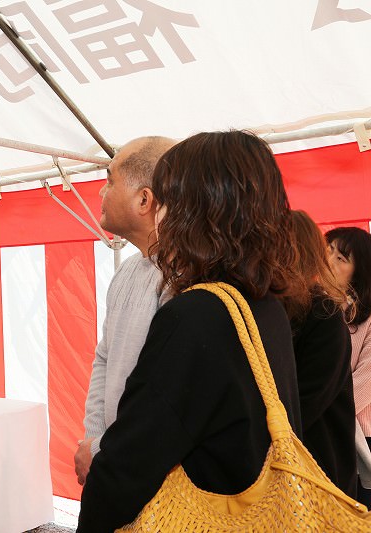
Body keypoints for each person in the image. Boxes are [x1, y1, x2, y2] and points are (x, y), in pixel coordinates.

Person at [77, 131, 303, 532]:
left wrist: (101, 469)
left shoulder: (197, 312)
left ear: (197, 207)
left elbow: (132, 463)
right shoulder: (262, 303)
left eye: (172, 198)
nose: (162, 213)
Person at [74, 136, 175, 486]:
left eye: (110, 181)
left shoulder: (183, 280)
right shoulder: (127, 271)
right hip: (111, 459)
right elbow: (104, 358)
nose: (102, 193)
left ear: (144, 199)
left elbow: (165, 393)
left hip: (154, 472)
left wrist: (103, 449)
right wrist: (93, 442)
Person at [283, 210, 355, 496]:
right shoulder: (277, 310)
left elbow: (305, 402)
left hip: (320, 478)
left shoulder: (323, 314)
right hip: (289, 476)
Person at [325, 226, 371, 505]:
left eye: (341, 258)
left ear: (360, 271)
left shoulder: (366, 319)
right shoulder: (320, 308)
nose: (329, 261)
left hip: (363, 435)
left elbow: (365, 383)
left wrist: (325, 403)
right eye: (328, 251)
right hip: (331, 429)